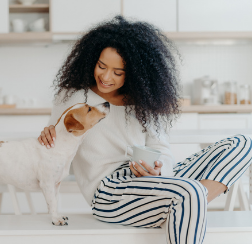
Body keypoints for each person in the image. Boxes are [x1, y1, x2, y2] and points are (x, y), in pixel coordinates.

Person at [37, 15, 252, 244]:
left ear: (136, 74)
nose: (106, 77)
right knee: (190, 191)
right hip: (110, 192)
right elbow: (56, 144)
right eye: (101, 66)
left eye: (118, 72)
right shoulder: (73, 97)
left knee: (243, 144)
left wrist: (158, 171)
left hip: (155, 182)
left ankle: (180, 205)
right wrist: (47, 134)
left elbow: (160, 148)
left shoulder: (146, 101)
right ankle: (185, 203)